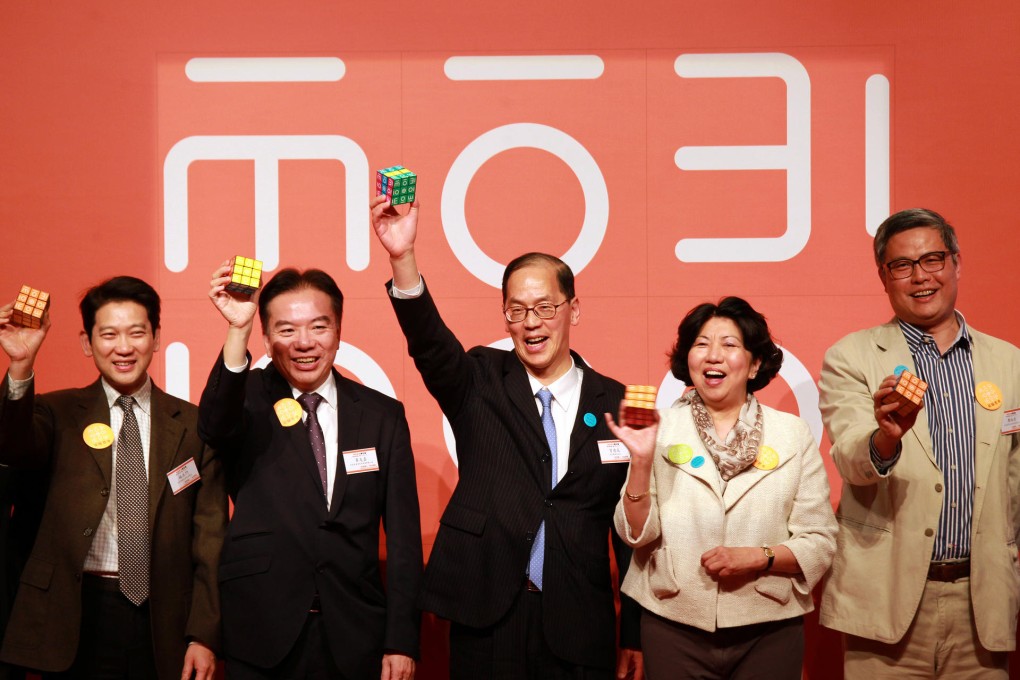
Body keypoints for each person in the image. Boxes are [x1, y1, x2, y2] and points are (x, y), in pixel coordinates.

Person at [370, 195, 642, 680]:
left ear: (574, 309)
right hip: (487, 613)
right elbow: (430, 344)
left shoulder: (615, 402)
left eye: (544, 307)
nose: (531, 323)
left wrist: (633, 633)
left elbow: (629, 532)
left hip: (579, 622)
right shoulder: (479, 378)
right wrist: (403, 257)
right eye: (517, 311)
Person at [818, 208, 1020, 678]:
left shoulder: (1009, 361)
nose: (921, 277)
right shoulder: (852, 356)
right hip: (886, 603)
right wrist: (885, 439)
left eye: (933, 259)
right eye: (902, 266)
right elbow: (849, 457)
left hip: (983, 602)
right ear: (884, 277)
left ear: (956, 263)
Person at [199, 264, 423, 680]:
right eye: (286, 330)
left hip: (356, 636)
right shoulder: (246, 399)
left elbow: (405, 540)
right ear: (266, 338)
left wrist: (401, 640)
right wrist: (237, 329)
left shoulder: (382, 416)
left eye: (319, 327)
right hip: (261, 633)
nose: (304, 342)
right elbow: (213, 426)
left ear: (338, 331)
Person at [0, 276, 227, 679]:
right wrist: (20, 365)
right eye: (108, 334)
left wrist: (203, 634)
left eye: (136, 333)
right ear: (87, 343)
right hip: (73, 614)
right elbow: (12, 447)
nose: (124, 347)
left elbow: (210, 539)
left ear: (156, 338)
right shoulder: (56, 413)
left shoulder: (193, 425)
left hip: (163, 621)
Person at [607, 296, 836, 680]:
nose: (713, 355)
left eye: (729, 344)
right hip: (673, 622)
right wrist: (642, 463)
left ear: (755, 363)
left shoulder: (791, 434)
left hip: (768, 625)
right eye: (701, 344)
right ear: (687, 359)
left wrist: (758, 557)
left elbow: (820, 540)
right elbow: (635, 534)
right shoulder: (657, 427)